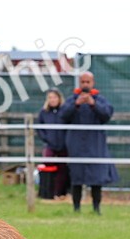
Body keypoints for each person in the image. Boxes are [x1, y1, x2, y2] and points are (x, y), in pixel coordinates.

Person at [59, 71, 116, 214]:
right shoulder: (72, 100)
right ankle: (76, 208)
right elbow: (63, 115)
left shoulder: (100, 100)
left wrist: (93, 104)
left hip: (95, 145)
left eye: (87, 82)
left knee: (97, 178)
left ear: (93, 83)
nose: (85, 85)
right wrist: (76, 104)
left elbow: (106, 115)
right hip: (76, 145)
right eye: (83, 82)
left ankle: (96, 208)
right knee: (76, 177)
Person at [37, 89, 69, 199]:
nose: (52, 100)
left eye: (54, 97)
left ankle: (59, 193)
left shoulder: (65, 111)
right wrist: (46, 138)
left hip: (64, 146)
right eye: (50, 97)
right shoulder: (43, 112)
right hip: (50, 145)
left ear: (59, 98)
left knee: (63, 169)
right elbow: (39, 128)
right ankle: (47, 192)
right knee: (48, 165)